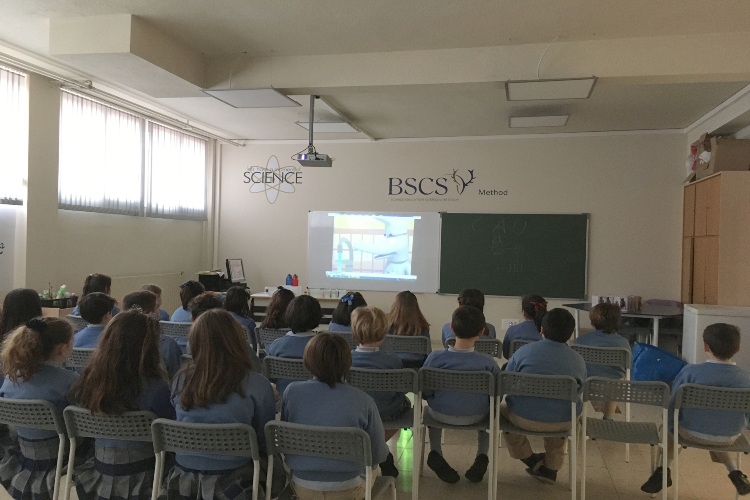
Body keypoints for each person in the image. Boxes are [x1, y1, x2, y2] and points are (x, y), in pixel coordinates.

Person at [165, 309, 278, 499]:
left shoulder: (180, 380)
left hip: (184, 473)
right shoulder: (257, 384)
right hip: (235, 478)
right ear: (237, 341)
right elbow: (264, 437)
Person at [69, 309, 176, 499]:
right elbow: (170, 432)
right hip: (147, 473)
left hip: (100, 468)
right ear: (149, 345)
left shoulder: (88, 381)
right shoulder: (156, 387)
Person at [640, 323, 750, 496]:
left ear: (705, 346)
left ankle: (663, 470)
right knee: (715, 428)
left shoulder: (690, 372)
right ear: (738, 348)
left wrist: (670, 425)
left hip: (690, 433)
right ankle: (735, 472)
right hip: (728, 437)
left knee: (672, 430)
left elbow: (674, 405)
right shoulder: (747, 380)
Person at [281, 333, 388, 500]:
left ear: (308, 360)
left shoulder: (291, 392)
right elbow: (378, 454)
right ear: (347, 362)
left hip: (303, 486)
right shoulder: (363, 400)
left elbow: (285, 441)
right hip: (349, 488)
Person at [503, 308, 586, 485]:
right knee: (565, 408)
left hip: (523, 418)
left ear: (541, 330)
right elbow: (580, 392)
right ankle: (551, 467)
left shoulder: (523, 352)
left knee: (499, 411)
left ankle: (528, 457)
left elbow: (507, 382)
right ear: (571, 334)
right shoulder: (578, 359)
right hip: (564, 421)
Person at [423, 305, 500, 484]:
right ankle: (482, 454)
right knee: (491, 409)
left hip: (440, 415)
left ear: (451, 327)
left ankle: (435, 451)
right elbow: (496, 395)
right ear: (482, 332)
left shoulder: (435, 358)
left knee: (431, 405)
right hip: (477, 416)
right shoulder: (488, 363)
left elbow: (425, 391)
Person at [0, 317, 76, 498]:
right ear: (63, 348)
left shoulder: (11, 379)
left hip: (23, 452)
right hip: (63, 454)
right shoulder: (70, 381)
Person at [350, 306, 408, 478]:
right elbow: (401, 388)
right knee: (407, 406)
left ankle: (376, 451)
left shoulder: (345, 359)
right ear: (384, 333)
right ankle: (380, 450)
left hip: (355, 414)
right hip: (387, 413)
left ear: (354, 332)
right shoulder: (393, 360)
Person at [573, 302, 631, 419]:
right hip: (614, 387)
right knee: (617, 379)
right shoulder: (623, 342)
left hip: (586, 384)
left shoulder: (580, 341)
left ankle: (580, 417)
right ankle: (608, 418)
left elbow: (576, 365)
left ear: (592, 321)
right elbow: (628, 367)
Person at [188, 293, 263, 373]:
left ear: (193, 320)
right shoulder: (238, 343)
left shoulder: (190, 344)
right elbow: (257, 368)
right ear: (223, 316)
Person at [266, 295, 322, 395]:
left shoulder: (276, 345)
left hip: (285, 396)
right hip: (315, 397)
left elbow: (272, 378)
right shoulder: (322, 347)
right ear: (317, 317)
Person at [121, 290, 182, 379]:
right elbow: (176, 377)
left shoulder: (112, 343)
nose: (159, 311)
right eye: (157, 307)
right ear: (150, 314)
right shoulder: (167, 344)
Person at [388, 291, 430, 369]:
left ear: (395, 306)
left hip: (392, 364)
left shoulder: (389, 326)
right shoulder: (423, 326)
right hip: (417, 365)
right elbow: (427, 353)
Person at [501, 294, 547, 360]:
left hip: (517, 368)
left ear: (524, 312)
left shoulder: (512, 331)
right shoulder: (549, 332)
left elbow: (506, 354)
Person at [224, 286, 257, 351]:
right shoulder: (249, 323)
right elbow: (254, 346)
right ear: (244, 303)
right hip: (245, 355)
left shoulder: (220, 319)